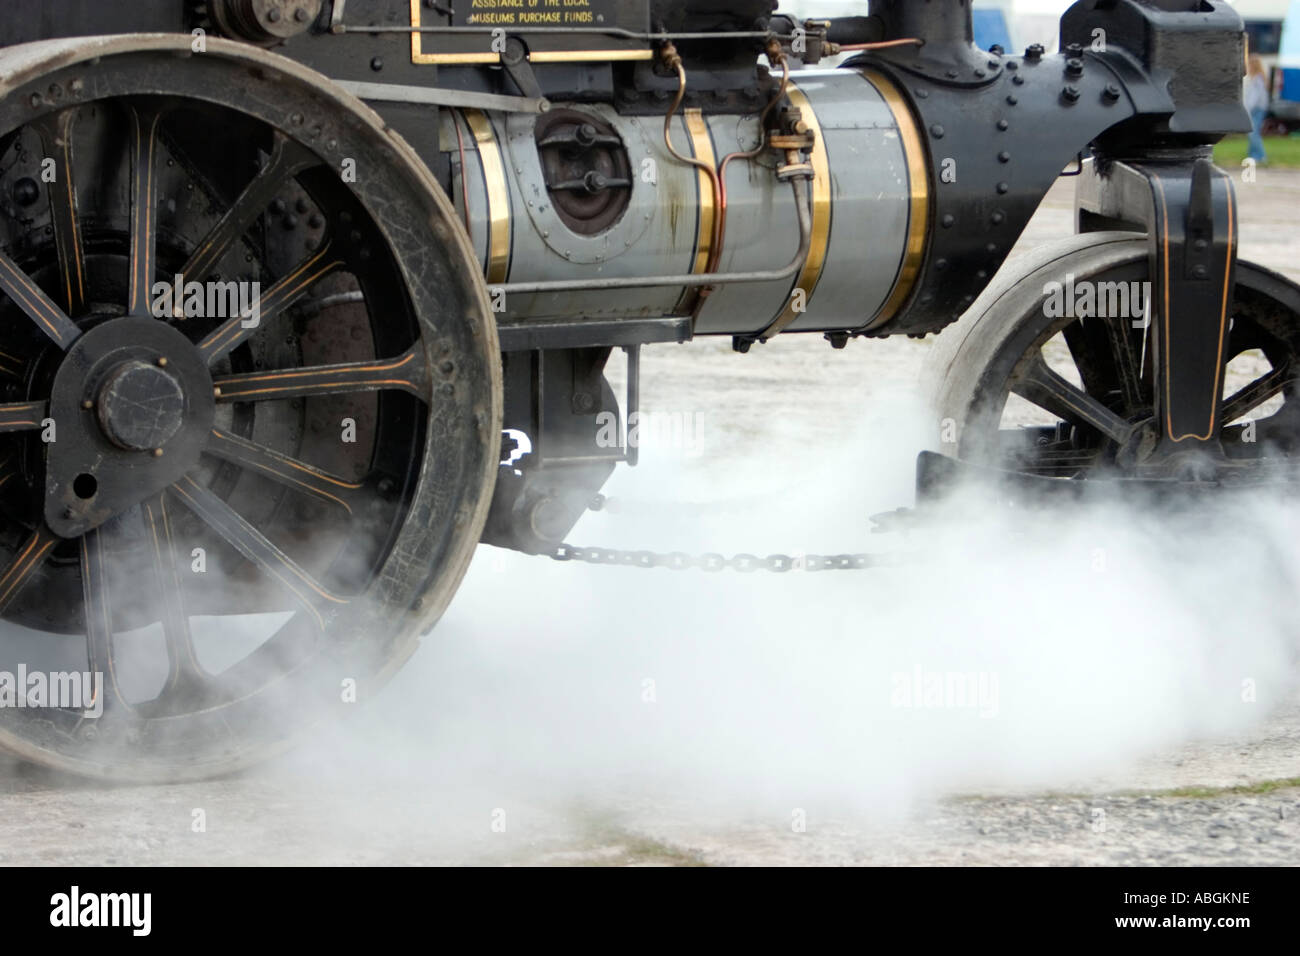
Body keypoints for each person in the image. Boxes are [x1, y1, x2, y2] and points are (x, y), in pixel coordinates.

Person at [1245, 54, 1270, 166]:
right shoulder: (1259, 78)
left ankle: (1261, 155)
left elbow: (1255, 97)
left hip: (1256, 108)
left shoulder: (1257, 79)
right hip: (1259, 108)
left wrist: (1248, 108)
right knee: (1253, 132)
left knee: (1253, 133)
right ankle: (1252, 155)